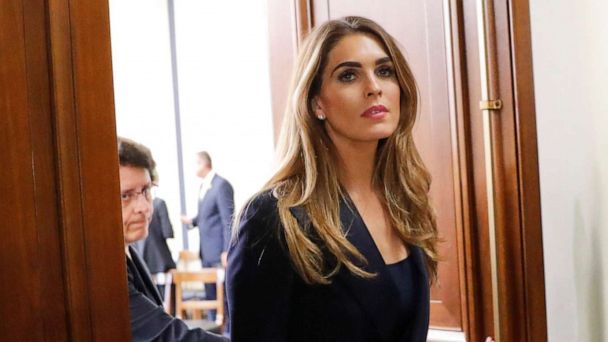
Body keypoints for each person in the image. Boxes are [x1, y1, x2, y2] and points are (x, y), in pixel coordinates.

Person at [227, 16, 437, 342]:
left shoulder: (406, 200)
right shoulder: (275, 216)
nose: (374, 87)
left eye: (384, 71)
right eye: (349, 76)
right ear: (316, 103)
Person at [118, 137, 227, 342]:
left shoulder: (129, 251)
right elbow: (169, 337)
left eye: (146, 191)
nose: (144, 207)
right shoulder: (103, 267)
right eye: (125, 196)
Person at [181, 151, 234, 321]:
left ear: (203, 163)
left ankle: (226, 332)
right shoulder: (204, 186)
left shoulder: (221, 185)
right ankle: (213, 329)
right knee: (209, 293)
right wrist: (191, 221)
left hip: (218, 251)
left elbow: (228, 219)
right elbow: (207, 216)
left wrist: (226, 250)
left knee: (222, 295)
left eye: (195, 164)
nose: (193, 168)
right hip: (206, 251)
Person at [135, 191, 177, 296]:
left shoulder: (134, 208)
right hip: (162, 263)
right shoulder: (159, 203)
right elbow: (168, 232)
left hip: (142, 263)